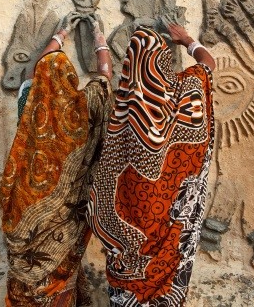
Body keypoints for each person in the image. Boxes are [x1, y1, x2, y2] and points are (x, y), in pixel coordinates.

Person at [87, 21, 215, 306]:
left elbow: (104, 185)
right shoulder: (187, 93)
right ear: (164, 62)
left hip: (130, 236)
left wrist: (101, 49)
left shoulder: (123, 115)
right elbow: (208, 64)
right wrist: (187, 40)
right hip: (171, 235)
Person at [0, 13, 114, 306]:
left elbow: (36, 70)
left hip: (24, 210)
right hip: (66, 220)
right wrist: (99, 38)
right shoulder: (86, 108)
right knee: (60, 280)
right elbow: (104, 78)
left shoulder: (30, 104)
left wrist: (60, 35)